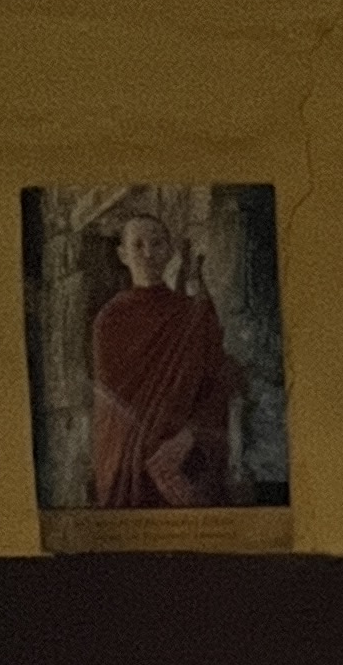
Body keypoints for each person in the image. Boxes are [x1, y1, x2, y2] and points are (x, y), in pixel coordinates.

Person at [89, 206, 243, 509]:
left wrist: (188, 437)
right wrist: (149, 455)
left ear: (170, 251)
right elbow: (114, 410)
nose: (148, 253)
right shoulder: (109, 321)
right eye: (138, 245)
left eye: (157, 243)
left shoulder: (195, 315)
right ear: (122, 254)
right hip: (133, 463)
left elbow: (216, 386)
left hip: (186, 456)